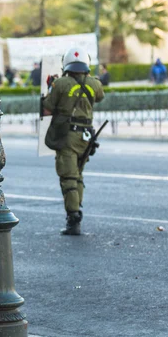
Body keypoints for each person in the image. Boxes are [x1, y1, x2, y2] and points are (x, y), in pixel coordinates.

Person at [42, 47, 105, 235]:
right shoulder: (95, 84)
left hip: (67, 137)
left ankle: (74, 218)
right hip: (86, 137)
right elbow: (99, 97)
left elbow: (47, 110)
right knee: (77, 175)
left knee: (68, 177)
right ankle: (76, 210)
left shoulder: (60, 84)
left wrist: (50, 89)